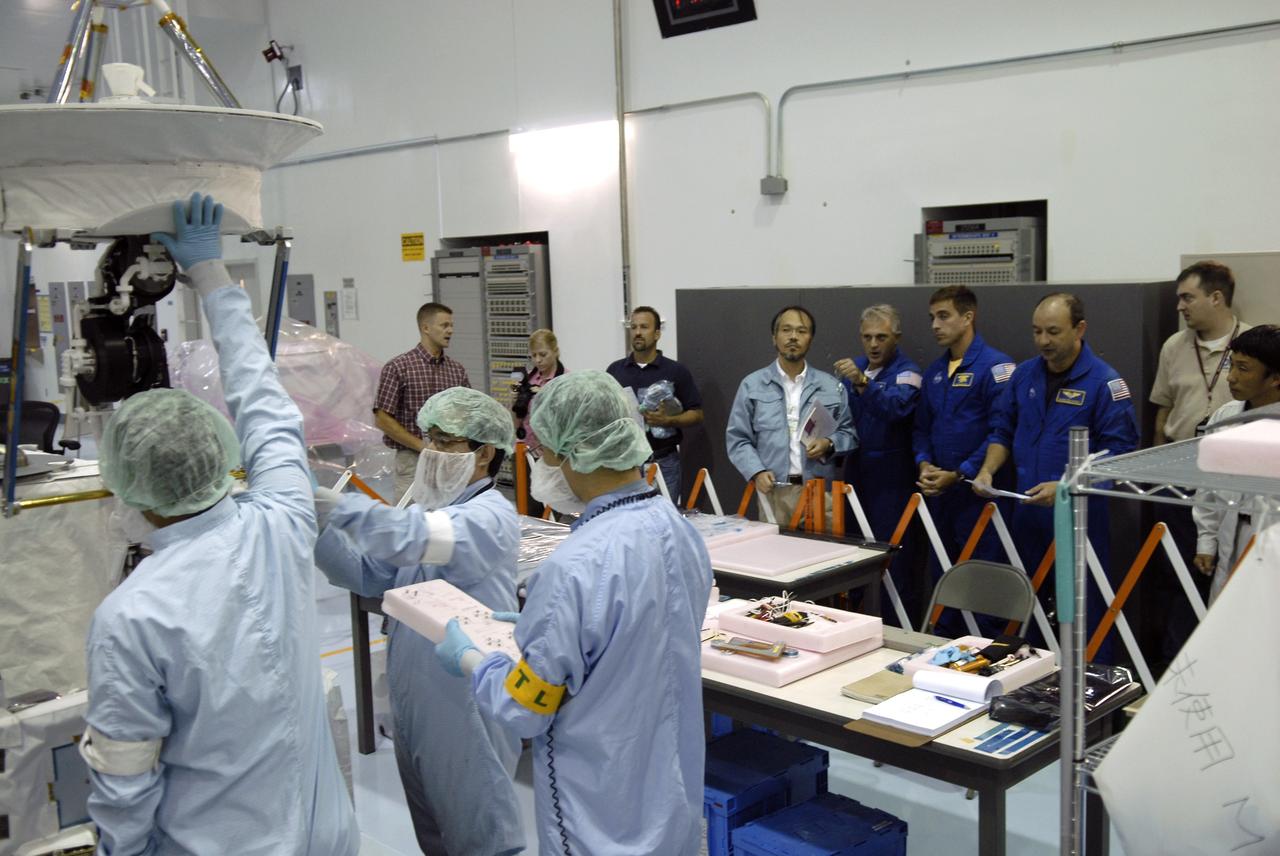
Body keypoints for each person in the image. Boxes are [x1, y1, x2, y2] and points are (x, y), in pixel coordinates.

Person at [83, 193, 357, 854]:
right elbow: (262, 397)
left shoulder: (132, 617)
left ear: (124, 484)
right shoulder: (282, 522)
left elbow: (124, 788)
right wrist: (210, 276)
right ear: (219, 452)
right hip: (327, 837)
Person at [433, 371, 713, 854]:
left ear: (574, 453)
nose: (539, 463)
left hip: (600, 816)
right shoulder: (678, 530)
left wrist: (477, 663)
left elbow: (526, 709)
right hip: (672, 801)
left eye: (542, 452)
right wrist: (545, 632)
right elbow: (639, 637)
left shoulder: (574, 567)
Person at [313, 387, 524, 856]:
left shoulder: (490, 517)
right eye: (428, 438)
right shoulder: (428, 512)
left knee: (481, 836)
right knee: (434, 833)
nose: (430, 452)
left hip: (464, 701)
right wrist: (319, 528)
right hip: (416, 699)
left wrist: (337, 507)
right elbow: (369, 575)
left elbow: (411, 539)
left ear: (484, 452)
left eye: (445, 442)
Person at [973, 293, 1139, 656]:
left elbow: (1120, 455)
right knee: (1020, 605)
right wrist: (988, 470)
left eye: (1053, 331)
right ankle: (1019, 680)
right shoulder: (1024, 375)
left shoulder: (1104, 384)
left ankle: (1089, 689)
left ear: (1080, 329)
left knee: (1084, 609)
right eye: (1036, 332)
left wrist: (1067, 486)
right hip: (1026, 512)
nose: (1044, 341)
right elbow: (1002, 429)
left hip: (1078, 517)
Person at [1148, 261, 1251, 668]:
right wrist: (1158, 474)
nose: (1180, 306)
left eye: (1187, 297)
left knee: (1228, 572)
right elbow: (1163, 412)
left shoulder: (1255, 346)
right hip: (1177, 477)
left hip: (1231, 481)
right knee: (1177, 576)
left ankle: (1226, 663)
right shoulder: (1174, 346)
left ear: (1216, 298)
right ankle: (1178, 665)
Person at [912, 285, 1015, 575]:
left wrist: (960, 473)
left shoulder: (996, 367)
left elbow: (1001, 430)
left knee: (983, 580)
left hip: (979, 494)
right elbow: (921, 428)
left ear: (968, 317)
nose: (935, 325)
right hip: (939, 494)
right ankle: (943, 623)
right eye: (932, 317)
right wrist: (924, 463)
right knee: (943, 578)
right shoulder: (934, 372)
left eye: (944, 316)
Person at [833, 303, 924, 623]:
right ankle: (855, 623)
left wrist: (862, 383)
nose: (873, 344)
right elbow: (839, 415)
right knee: (854, 555)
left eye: (881, 337)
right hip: (855, 474)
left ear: (895, 337)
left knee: (893, 558)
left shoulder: (908, 372)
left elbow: (897, 409)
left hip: (892, 480)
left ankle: (897, 626)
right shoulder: (852, 367)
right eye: (868, 337)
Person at [727, 305, 856, 526]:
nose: (793, 337)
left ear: (811, 339)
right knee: (777, 558)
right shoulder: (752, 385)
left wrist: (829, 443)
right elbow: (738, 439)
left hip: (820, 493)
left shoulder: (831, 386)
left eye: (802, 331)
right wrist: (756, 472)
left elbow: (849, 434)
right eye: (786, 330)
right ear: (774, 337)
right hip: (775, 492)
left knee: (822, 558)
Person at [1192, 325, 1280, 604]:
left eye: (1244, 368)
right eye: (1232, 365)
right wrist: (1206, 541)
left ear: (1275, 378)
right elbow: (1207, 485)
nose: (1231, 377)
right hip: (1230, 539)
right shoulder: (1224, 418)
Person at [374, 302, 471, 500]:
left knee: (449, 520)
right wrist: (422, 446)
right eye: (444, 325)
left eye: (451, 325)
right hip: (412, 459)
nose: (450, 330)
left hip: (450, 461)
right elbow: (382, 419)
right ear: (425, 328)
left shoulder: (457, 371)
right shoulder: (398, 368)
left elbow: (468, 413)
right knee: (411, 520)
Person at [606, 306, 703, 502]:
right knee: (629, 523)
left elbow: (697, 414)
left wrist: (669, 420)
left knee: (664, 522)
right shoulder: (615, 371)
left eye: (644, 327)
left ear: (657, 333)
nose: (638, 332)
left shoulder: (675, 371)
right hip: (625, 464)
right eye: (633, 327)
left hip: (664, 461)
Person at [512, 328, 566, 516]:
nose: (538, 360)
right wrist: (517, 401)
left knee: (553, 508)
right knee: (527, 509)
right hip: (525, 451)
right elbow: (517, 420)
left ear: (555, 351)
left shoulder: (565, 380)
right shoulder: (527, 379)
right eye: (533, 355)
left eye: (543, 354)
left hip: (553, 454)